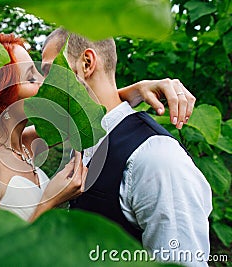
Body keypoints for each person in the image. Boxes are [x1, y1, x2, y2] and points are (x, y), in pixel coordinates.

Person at [0, 33, 197, 222]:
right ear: (1, 94)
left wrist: (135, 91)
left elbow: (95, 117)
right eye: (32, 78)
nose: (46, 84)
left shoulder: (23, 143)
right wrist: (49, 201)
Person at [41, 28, 212, 266]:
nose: (41, 85)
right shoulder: (84, 139)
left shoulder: (156, 158)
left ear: (87, 63)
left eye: (49, 71)